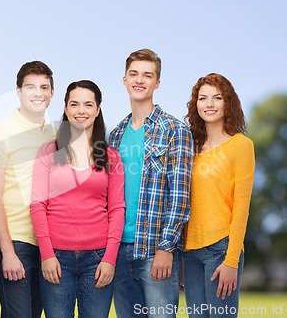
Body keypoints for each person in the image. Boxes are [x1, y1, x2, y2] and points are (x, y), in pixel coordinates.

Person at [109, 48, 194, 317]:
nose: (139, 80)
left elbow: (180, 196)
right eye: (133, 74)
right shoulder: (115, 135)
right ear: (124, 80)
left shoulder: (175, 130)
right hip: (118, 252)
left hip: (154, 250)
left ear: (157, 83)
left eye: (147, 75)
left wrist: (166, 248)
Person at [30, 80, 125, 318]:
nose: (81, 111)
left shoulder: (111, 157)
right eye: (74, 104)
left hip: (97, 259)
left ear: (97, 109)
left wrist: (110, 258)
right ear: (65, 108)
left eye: (88, 104)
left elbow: (117, 210)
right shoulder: (48, 152)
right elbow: (38, 205)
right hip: (57, 258)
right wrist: (47, 254)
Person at [0, 61, 55, 318]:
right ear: (18, 91)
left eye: (44, 87)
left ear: (52, 93)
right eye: (30, 87)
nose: (38, 93)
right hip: (16, 242)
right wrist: (8, 252)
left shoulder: (57, 134)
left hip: (48, 244)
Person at [183, 73, 255, 318]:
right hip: (189, 251)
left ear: (228, 103)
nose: (209, 104)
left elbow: (242, 207)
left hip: (221, 250)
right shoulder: (190, 147)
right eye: (203, 98)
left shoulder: (241, 146)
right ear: (196, 105)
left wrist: (231, 260)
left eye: (217, 97)